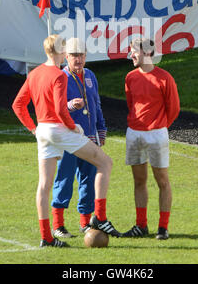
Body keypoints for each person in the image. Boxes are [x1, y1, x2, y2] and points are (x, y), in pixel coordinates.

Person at [12, 34, 120, 248]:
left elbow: (18, 105)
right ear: (62, 52)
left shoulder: (34, 74)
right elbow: (62, 111)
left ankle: (46, 237)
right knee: (105, 163)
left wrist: (33, 129)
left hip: (43, 130)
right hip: (59, 129)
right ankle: (99, 217)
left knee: (44, 185)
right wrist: (75, 128)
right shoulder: (59, 75)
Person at [122, 37, 180, 240]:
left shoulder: (165, 78)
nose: (131, 55)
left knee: (162, 181)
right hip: (134, 133)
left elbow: (173, 109)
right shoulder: (130, 77)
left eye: (134, 51)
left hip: (157, 134)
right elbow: (132, 104)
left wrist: (159, 126)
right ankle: (141, 226)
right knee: (139, 181)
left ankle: (163, 228)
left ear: (146, 53)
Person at [51, 37, 107, 238]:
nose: (79, 59)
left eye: (82, 55)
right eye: (74, 55)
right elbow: (54, 109)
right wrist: (68, 106)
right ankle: (58, 224)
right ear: (66, 56)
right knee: (64, 178)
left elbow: (96, 104)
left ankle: (86, 222)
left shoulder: (90, 75)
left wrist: (101, 128)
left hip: (89, 138)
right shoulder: (60, 77)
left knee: (89, 179)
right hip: (68, 137)